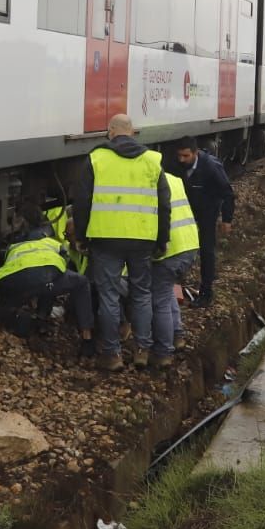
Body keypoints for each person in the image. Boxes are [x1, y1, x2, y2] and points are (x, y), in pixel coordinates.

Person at [73, 114, 170, 371]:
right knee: (141, 294)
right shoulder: (152, 160)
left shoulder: (96, 159)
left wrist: (81, 237)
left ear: (110, 132)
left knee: (108, 296)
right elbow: (164, 205)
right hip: (142, 239)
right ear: (133, 132)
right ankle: (141, 350)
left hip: (105, 240)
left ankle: (113, 354)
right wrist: (163, 239)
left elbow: (81, 203)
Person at [0, 215, 94, 356]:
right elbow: (63, 267)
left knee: (4, 308)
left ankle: (22, 320)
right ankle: (86, 338)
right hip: (46, 277)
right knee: (77, 282)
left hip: (13, 281)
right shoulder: (52, 243)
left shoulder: (13, 247)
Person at [174, 137, 234, 308]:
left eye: (185, 156)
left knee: (207, 248)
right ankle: (176, 290)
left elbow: (227, 193)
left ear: (195, 153)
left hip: (208, 209)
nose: (181, 160)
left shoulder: (211, 167)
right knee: (178, 247)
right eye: (179, 156)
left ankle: (206, 293)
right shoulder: (177, 165)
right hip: (187, 209)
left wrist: (227, 219)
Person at [148, 171, 201, 369]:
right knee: (167, 289)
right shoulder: (174, 178)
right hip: (188, 244)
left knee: (159, 300)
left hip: (170, 250)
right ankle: (177, 335)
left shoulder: (145, 184)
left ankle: (163, 352)